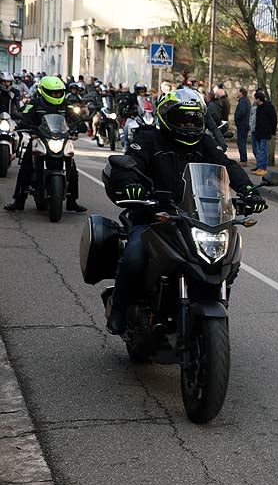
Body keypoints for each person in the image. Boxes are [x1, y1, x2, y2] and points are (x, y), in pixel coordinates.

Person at [104, 88, 266, 335]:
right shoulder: (149, 139)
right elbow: (128, 166)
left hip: (196, 218)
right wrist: (131, 186)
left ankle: (209, 305)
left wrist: (247, 190)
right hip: (154, 217)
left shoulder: (204, 142)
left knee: (227, 257)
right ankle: (119, 311)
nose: (189, 124)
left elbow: (227, 166)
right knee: (135, 255)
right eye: (182, 118)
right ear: (166, 117)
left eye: (194, 118)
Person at [4, 76, 87, 213]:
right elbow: (22, 115)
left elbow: (76, 119)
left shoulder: (65, 105)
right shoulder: (35, 104)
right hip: (39, 139)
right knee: (26, 167)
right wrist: (23, 124)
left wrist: (79, 126)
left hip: (60, 140)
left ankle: (72, 202)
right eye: (53, 93)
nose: (56, 95)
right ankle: (19, 201)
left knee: (72, 169)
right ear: (43, 91)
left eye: (59, 92)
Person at [251, 90, 277, 175]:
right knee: (258, 151)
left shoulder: (268, 107)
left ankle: (263, 168)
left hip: (265, 132)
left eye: (255, 99)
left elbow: (273, 119)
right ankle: (259, 166)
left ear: (258, 99)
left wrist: (272, 131)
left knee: (263, 150)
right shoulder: (259, 107)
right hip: (258, 132)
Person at [233, 88, 251, 166]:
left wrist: (237, 117)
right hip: (243, 124)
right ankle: (243, 159)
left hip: (242, 124)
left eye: (238, 91)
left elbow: (242, 112)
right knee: (241, 142)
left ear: (241, 93)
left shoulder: (243, 101)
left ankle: (243, 160)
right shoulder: (245, 100)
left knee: (241, 142)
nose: (236, 93)